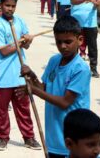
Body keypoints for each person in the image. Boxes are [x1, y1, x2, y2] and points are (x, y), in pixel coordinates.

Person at [16, 16, 91, 157]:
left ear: (80, 40)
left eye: (68, 42)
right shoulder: (54, 60)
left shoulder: (80, 69)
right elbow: (44, 88)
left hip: (73, 139)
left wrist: (35, 91)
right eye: (59, 42)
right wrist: (32, 76)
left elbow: (64, 102)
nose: (63, 46)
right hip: (53, 137)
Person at [0, 0, 41, 151]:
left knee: (23, 109)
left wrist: (29, 40)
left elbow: (25, 44)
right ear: (1, 5)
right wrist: (20, 42)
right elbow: (4, 51)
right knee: (2, 110)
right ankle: (3, 138)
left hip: (20, 74)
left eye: (13, 6)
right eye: (7, 6)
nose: (10, 9)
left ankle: (28, 137)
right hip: (4, 76)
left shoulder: (19, 21)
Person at [70, 0, 100, 78]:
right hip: (76, 23)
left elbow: (98, 3)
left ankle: (93, 68)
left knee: (92, 46)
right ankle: (73, 68)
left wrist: (96, 3)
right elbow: (73, 0)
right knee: (74, 46)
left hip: (91, 23)